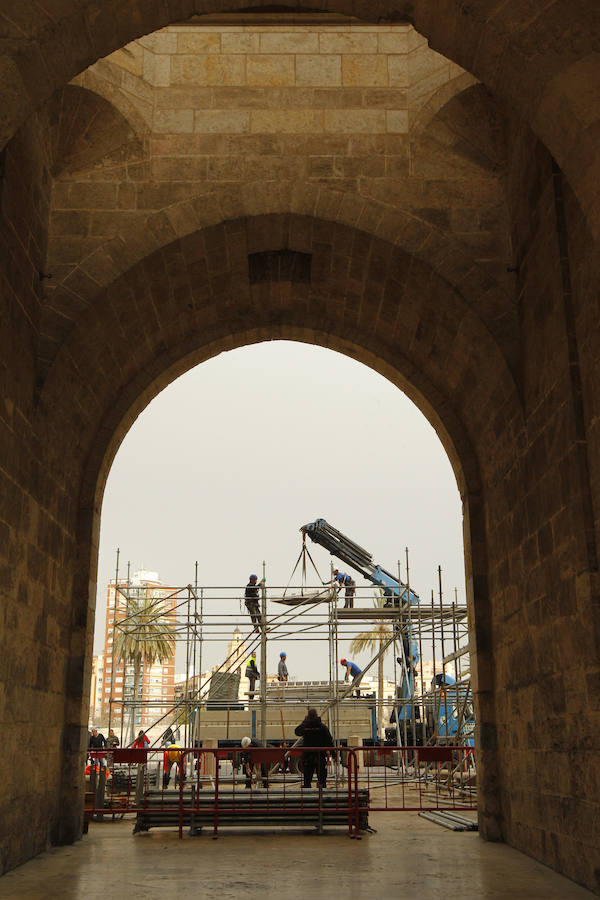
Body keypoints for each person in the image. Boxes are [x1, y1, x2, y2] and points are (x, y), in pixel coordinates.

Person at [294, 708, 334, 789]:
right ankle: (322, 795)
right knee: (322, 779)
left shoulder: (305, 726)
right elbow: (329, 740)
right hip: (320, 755)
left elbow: (297, 732)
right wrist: (333, 754)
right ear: (316, 715)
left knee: (307, 779)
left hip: (308, 756)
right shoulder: (322, 727)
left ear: (308, 716)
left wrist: (304, 722)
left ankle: (307, 795)